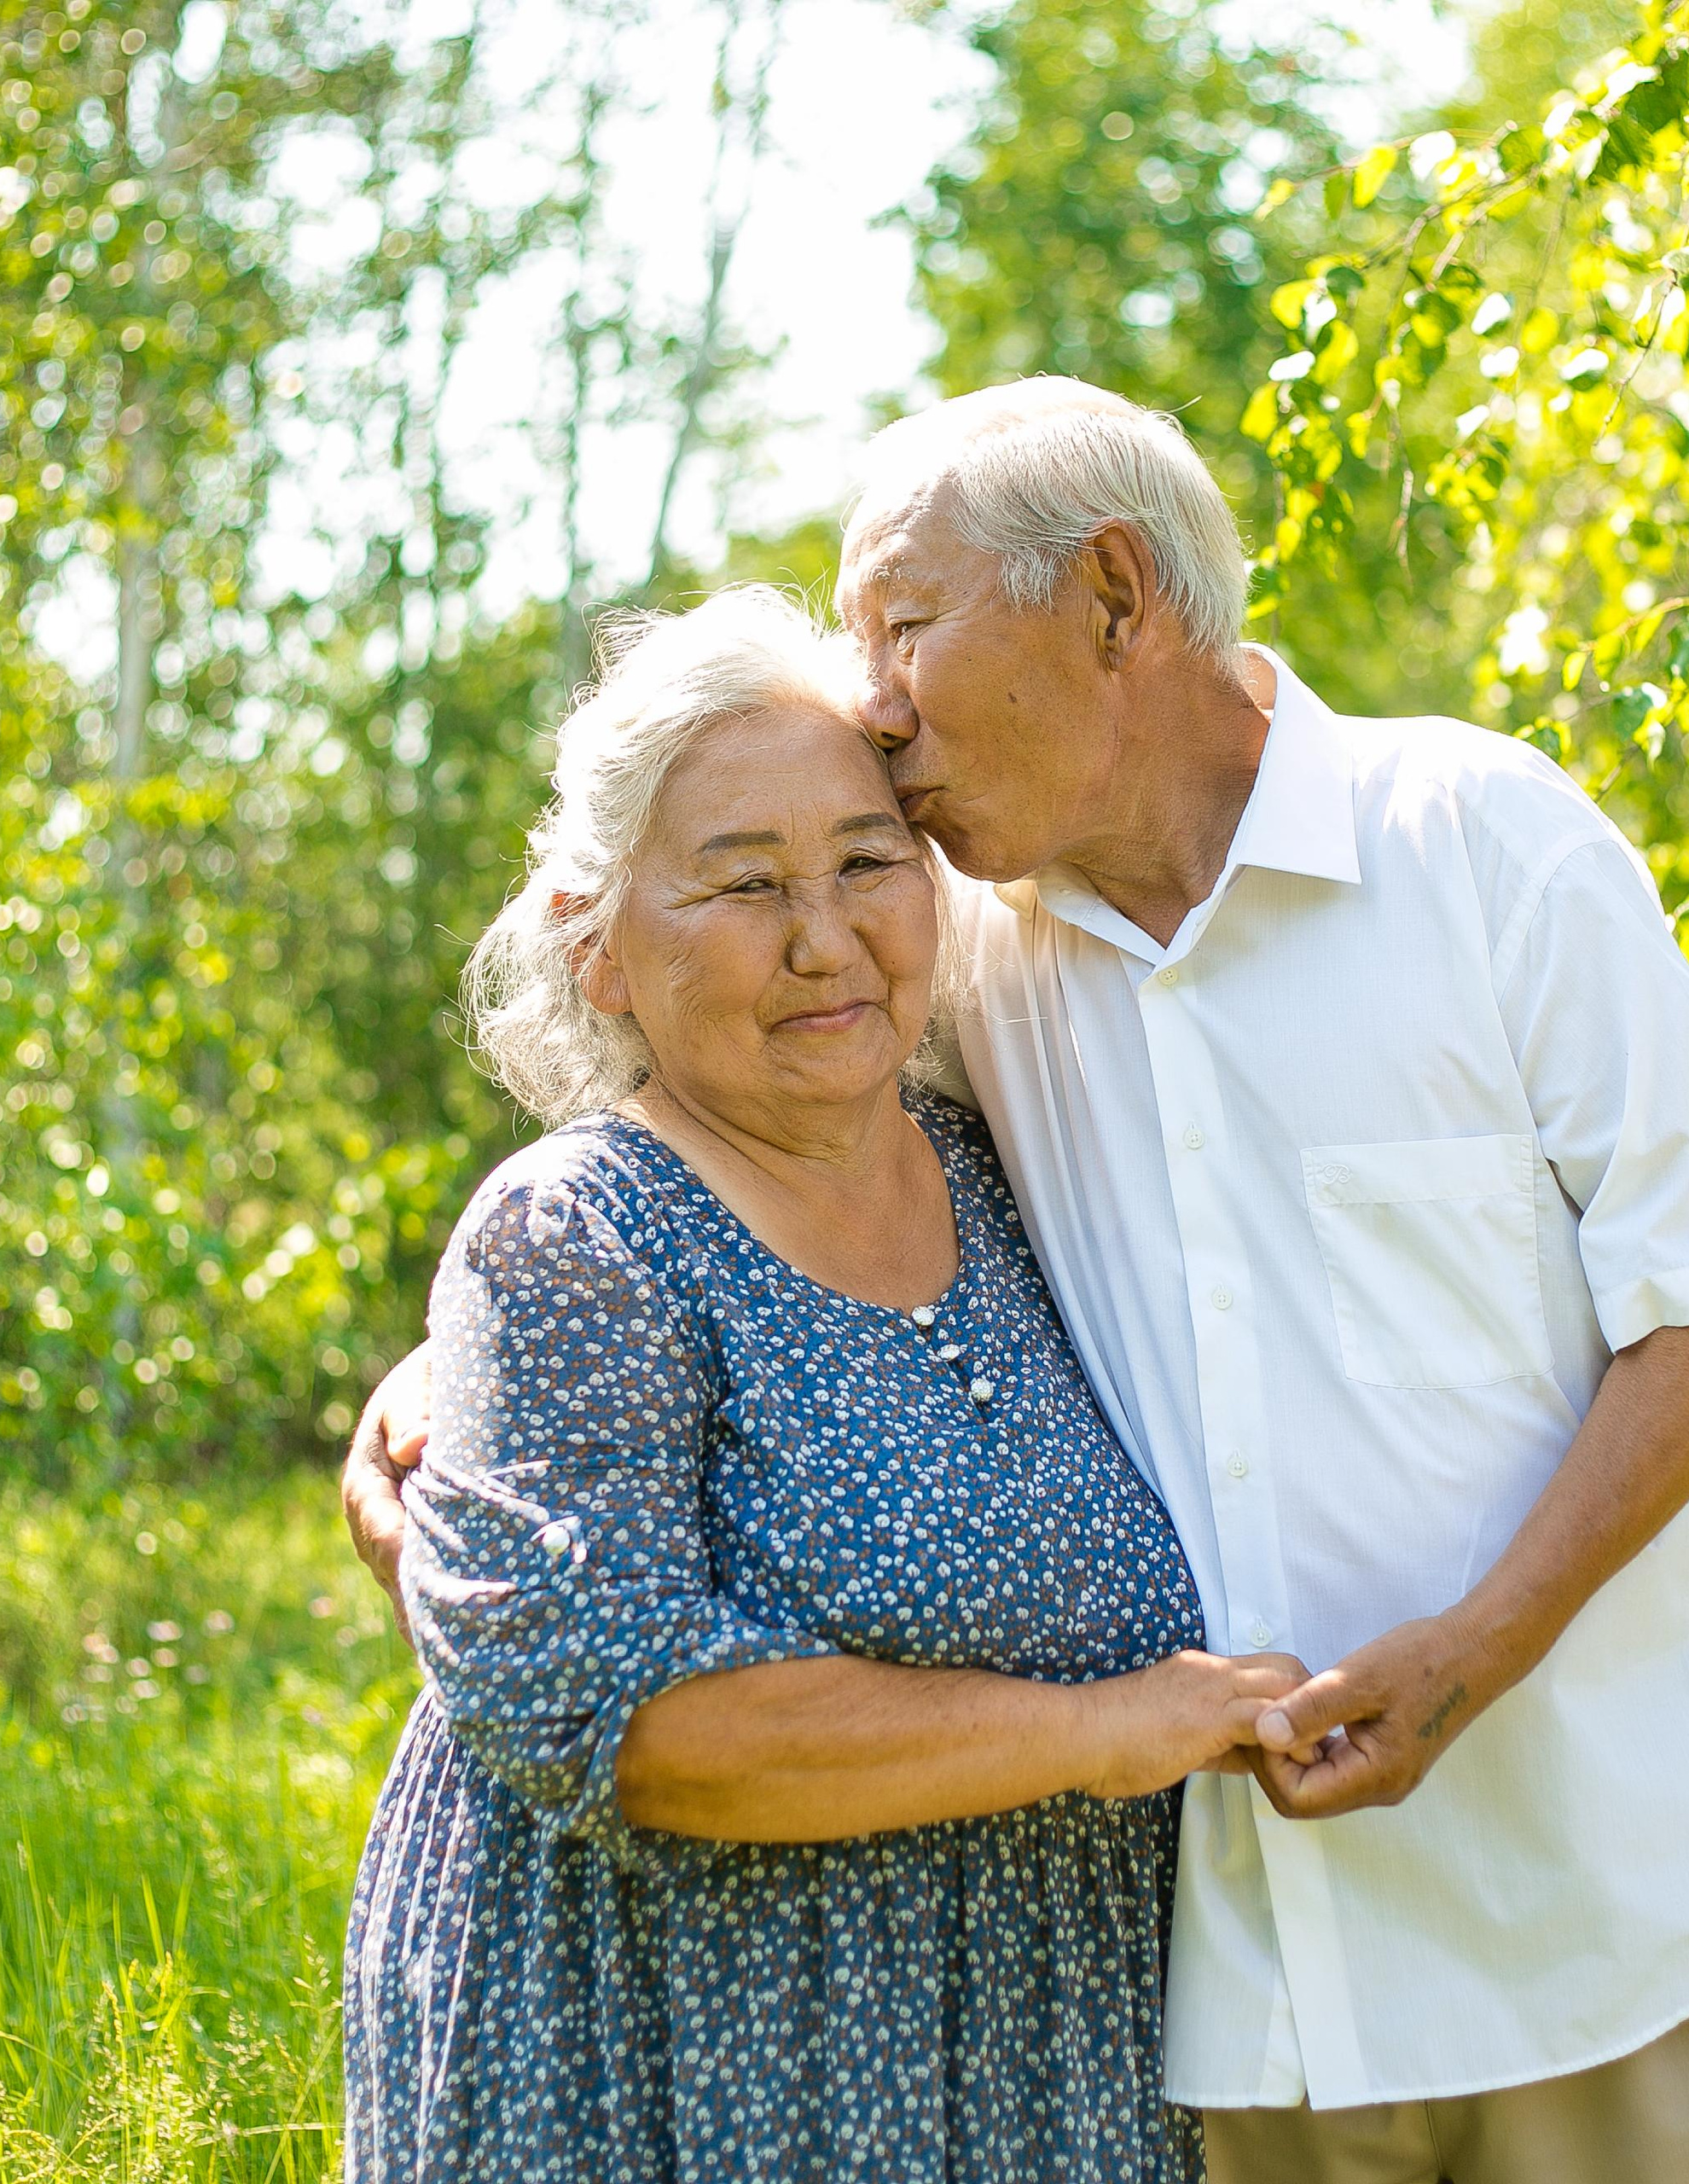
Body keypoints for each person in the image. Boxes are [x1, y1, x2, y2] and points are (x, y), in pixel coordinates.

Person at [351, 380, 1689, 2184]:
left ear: (1117, 596)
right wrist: (449, 1384)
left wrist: (1482, 1643)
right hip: (1245, 1974)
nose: (874, 703)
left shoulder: (1472, 840)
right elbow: (708, 1134)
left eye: (901, 622)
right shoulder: (970, 950)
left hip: (1594, 1893)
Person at [342, 584, 1307, 2184]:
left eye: (869, 862)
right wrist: (1106, 1730)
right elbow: (640, 1723)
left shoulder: (1016, 1178)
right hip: (678, 2064)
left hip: (1036, 2063)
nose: (823, 938)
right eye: (740, 884)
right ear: (597, 951)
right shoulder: (579, 1235)